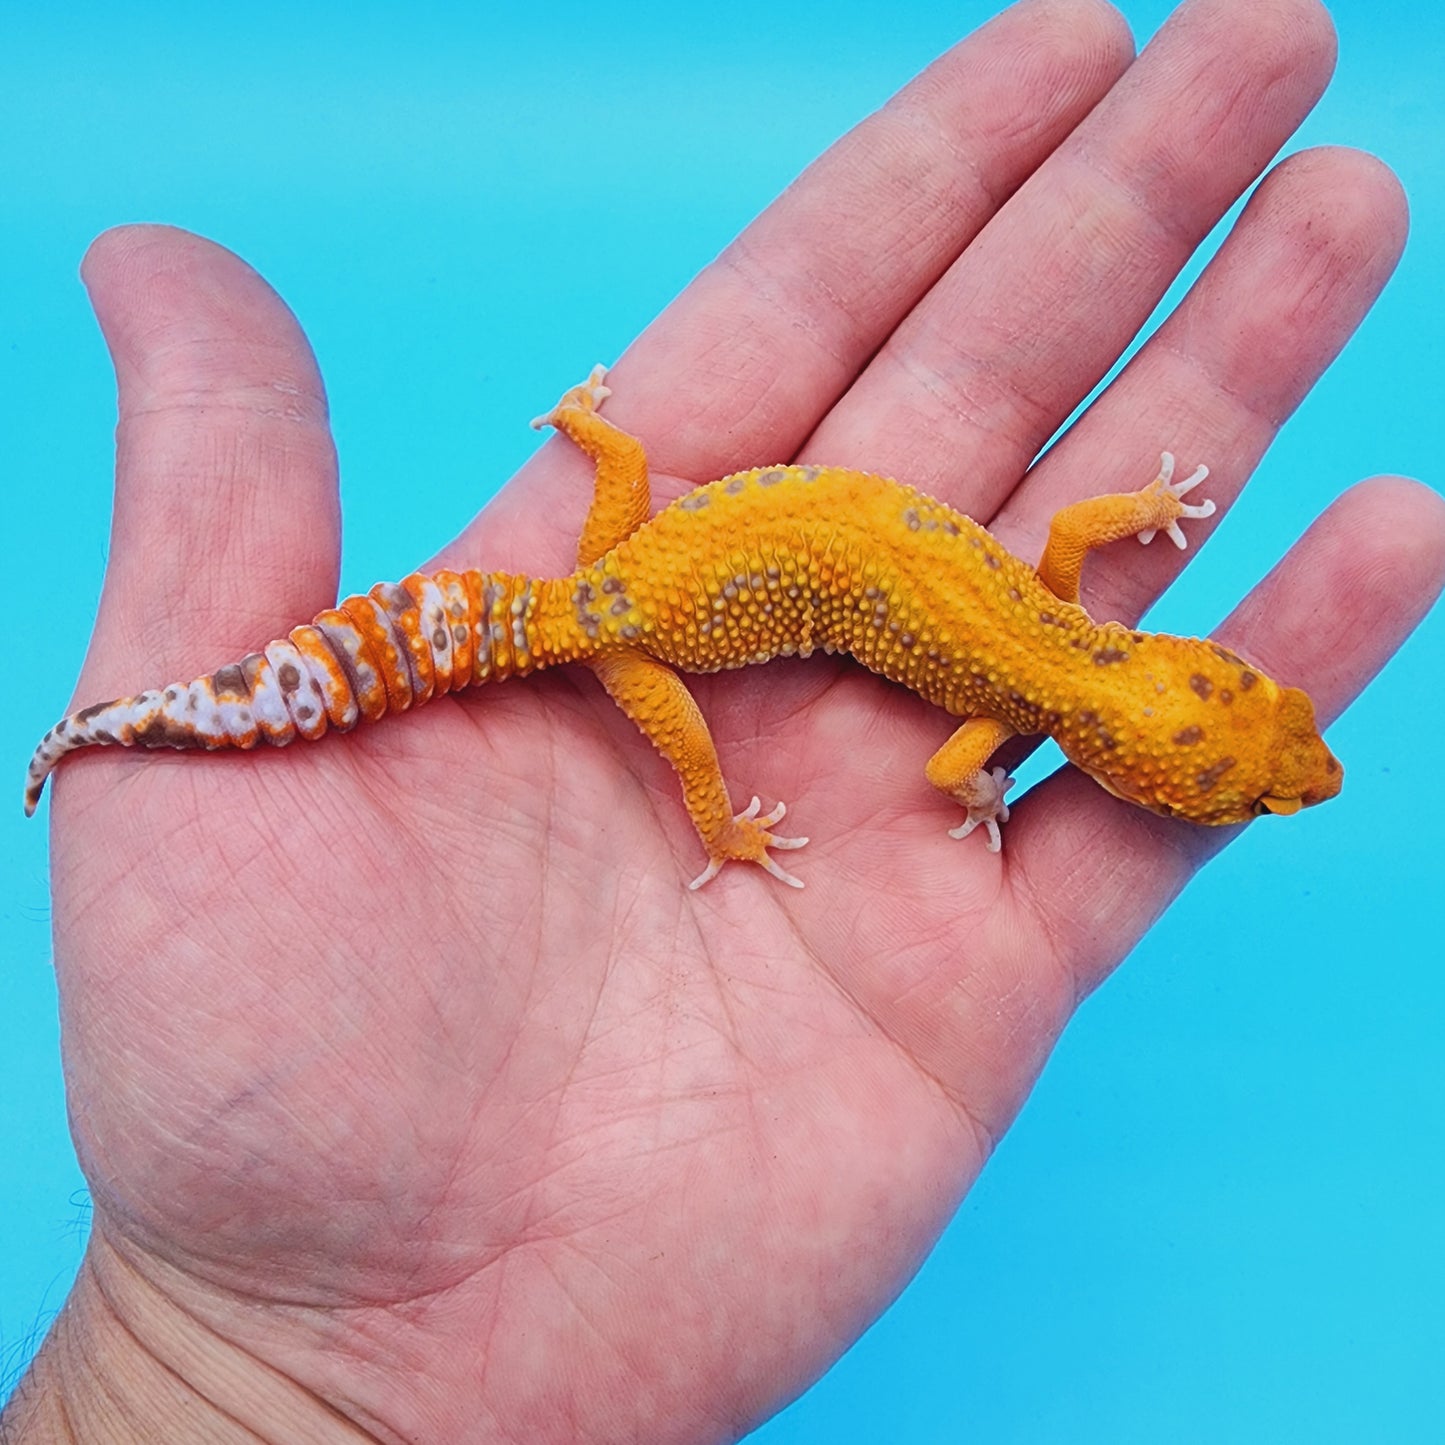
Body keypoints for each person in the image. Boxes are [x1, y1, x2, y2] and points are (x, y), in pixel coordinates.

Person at [6, 0, 1443, 1439]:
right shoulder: (1015, 709)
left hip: (632, 567)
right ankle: (706, 823)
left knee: (597, 529)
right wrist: (943, 800)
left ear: (1181, 689)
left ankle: (554, 460)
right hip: (644, 639)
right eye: (1255, 778)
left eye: (1254, 766)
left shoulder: (1072, 626)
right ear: (1146, 759)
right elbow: (960, 751)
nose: (1284, 772)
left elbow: (1069, 541)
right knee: (680, 754)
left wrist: (1131, 518)